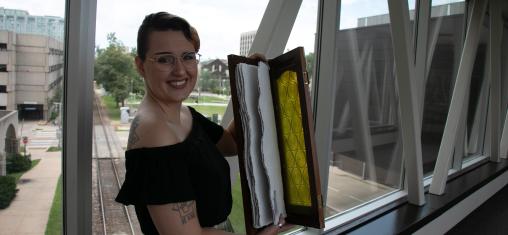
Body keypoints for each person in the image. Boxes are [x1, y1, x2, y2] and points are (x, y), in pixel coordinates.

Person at [115, 12, 286, 235]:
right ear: (140, 65)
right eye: (165, 59)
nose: (180, 70)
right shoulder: (155, 132)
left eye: (187, 56)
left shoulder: (186, 114)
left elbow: (232, 144)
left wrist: (251, 87)